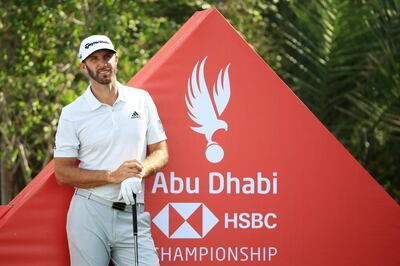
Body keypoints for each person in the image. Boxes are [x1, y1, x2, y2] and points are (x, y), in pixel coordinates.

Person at [54, 35, 168, 266]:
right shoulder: (72, 113)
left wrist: (138, 172)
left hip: (132, 212)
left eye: (107, 56)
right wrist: (112, 176)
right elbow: (62, 173)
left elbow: (161, 151)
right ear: (83, 66)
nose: (102, 63)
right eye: (94, 59)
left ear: (116, 59)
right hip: (89, 213)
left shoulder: (141, 99)